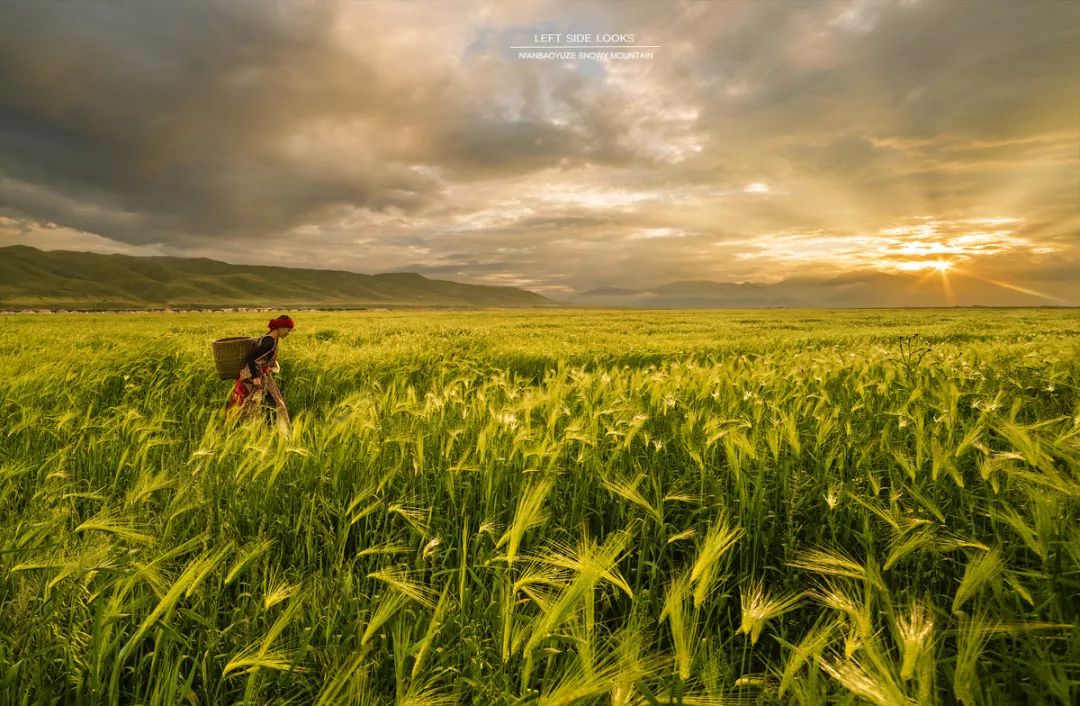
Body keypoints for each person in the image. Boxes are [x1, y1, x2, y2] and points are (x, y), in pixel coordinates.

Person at [226, 315, 294, 424]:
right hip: (252, 376)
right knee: (264, 404)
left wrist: (270, 364)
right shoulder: (269, 342)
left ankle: (262, 429)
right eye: (288, 330)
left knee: (260, 403)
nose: (288, 333)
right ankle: (265, 429)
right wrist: (255, 377)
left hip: (256, 375)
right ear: (281, 327)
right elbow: (251, 358)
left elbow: (261, 358)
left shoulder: (269, 338)